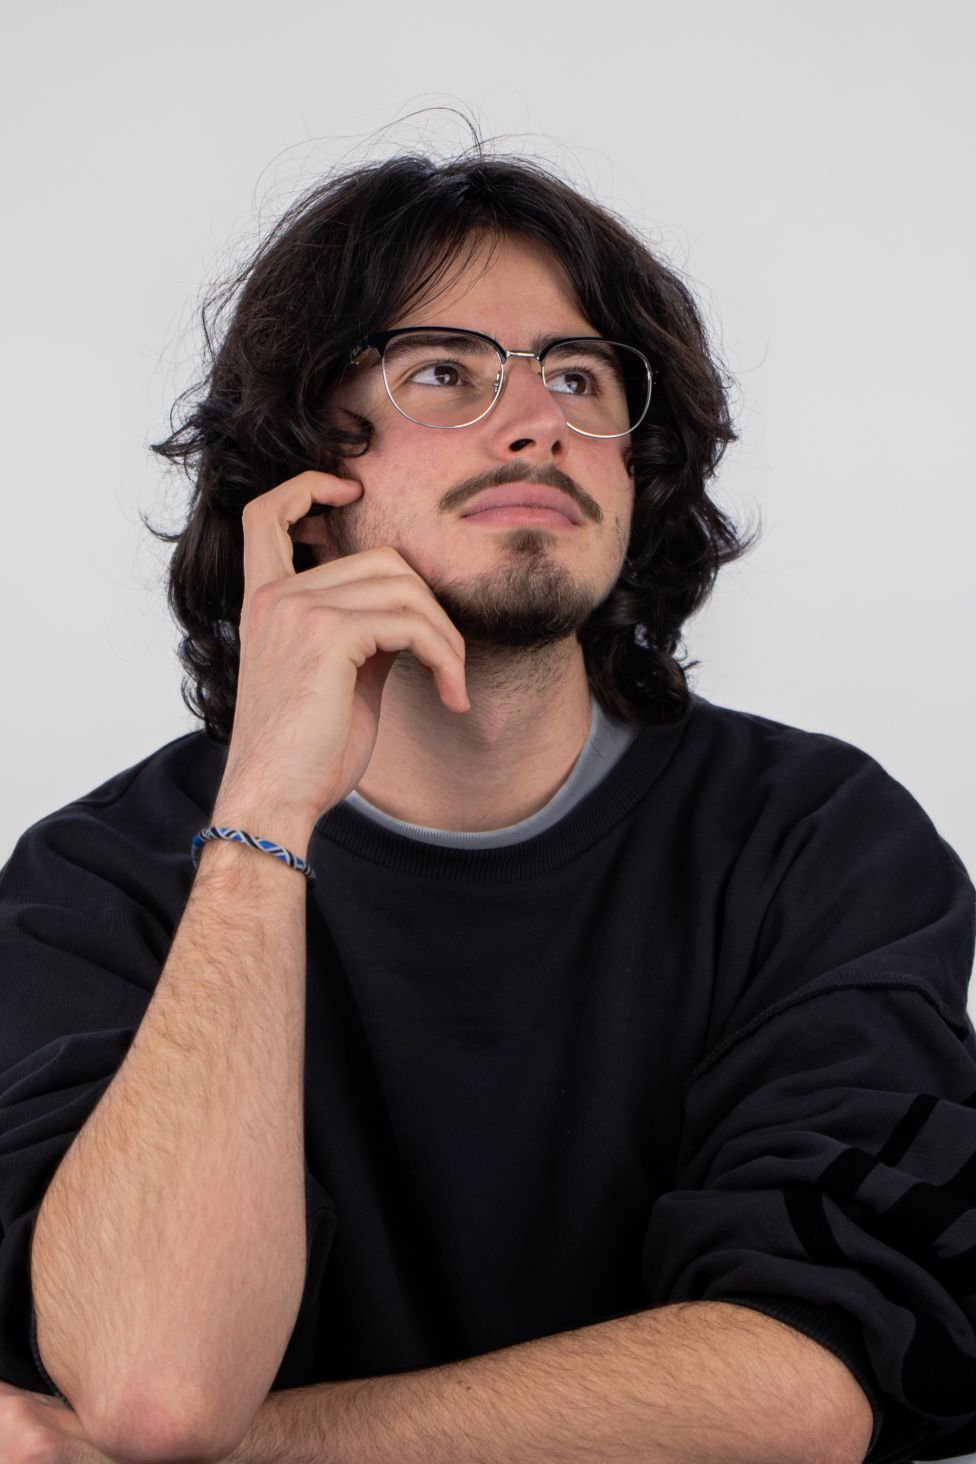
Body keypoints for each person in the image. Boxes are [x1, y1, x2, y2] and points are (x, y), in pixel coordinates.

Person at [1, 147, 974, 1464]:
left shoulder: (815, 842)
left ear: (639, 472)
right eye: (445, 373)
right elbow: (155, 1387)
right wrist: (264, 817)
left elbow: (803, 1384)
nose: (537, 424)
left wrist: (241, 1452)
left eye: (579, 377)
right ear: (303, 476)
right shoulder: (95, 884)